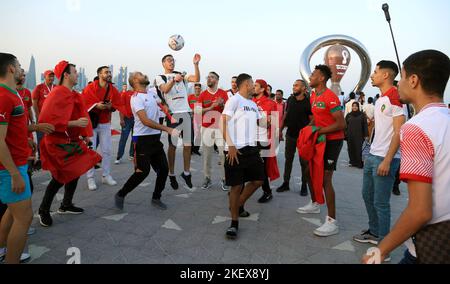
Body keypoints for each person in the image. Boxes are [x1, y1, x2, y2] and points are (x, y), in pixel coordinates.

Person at [363, 50, 450, 265]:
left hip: (430, 244)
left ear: (413, 80)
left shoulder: (416, 128)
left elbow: (420, 211)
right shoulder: (445, 118)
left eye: (401, 77)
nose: (398, 83)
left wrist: (380, 251)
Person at [37, 60, 102, 227]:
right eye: (74, 72)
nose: (77, 74)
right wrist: (74, 124)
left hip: (71, 141)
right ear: (66, 75)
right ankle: (43, 210)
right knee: (59, 177)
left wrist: (85, 134)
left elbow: (80, 116)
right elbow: (47, 122)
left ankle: (66, 204)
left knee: (76, 170)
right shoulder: (57, 93)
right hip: (57, 142)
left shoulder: (73, 94)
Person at [354, 61, 406, 250]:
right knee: (367, 195)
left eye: (375, 72)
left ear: (386, 75)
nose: (372, 75)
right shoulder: (381, 98)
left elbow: (399, 132)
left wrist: (388, 159)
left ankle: (384, 245)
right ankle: (374, 231)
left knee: (381, 202)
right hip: (373, 155)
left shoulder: (395, 96)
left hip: (386, 158)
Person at [115, 72, 179, 211]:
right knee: (142, 172)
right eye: (140, 75)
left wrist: (164, 108)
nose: (145, 74)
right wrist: (166, 129)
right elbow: (145, 121)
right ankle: (121, 194)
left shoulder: (150, 92)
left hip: (155, 139)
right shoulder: (136, 98)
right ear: (135, 81)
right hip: (142, 140)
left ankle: (156, 197)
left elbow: (160, 103)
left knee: (163, 170)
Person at [0, 53, 35, 263]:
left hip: (17, 162)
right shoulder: (4, 96)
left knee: (13, 213)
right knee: (25, 218)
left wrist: (26, 138)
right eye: (19, 66)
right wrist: (14, 174)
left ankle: (3, 250)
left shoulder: (12, 94)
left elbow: (12, 129)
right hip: (9, 168)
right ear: (11, 69)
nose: (22, 69)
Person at [221, 73, 265, 239]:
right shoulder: (234, 100)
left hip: (252, 149)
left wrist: (268, 120)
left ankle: (238, 204)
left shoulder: (253, 104)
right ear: (246, 84)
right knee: (236, 186)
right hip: (235, 150)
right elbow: (222, 122)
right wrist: (230, 145)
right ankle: (234, 222)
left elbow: (260, 122)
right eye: (252, 83)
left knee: (258, 180)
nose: (254, 86)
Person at [308, 65, 346, 237]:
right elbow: (316, 119)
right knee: (311, 172)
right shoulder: (314, 95)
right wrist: (307, 131)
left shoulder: (331, 97)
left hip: (333, 141)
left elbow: (341, 124)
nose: (310, 76)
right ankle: (315, 203)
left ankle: (332, 221)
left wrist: (318, 131)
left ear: (322, 78)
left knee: (325, 179)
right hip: (320, 139)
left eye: (313, 74)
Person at [155, 54, 201, 190]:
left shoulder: (180, 75)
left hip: (186, 112)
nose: (171, 62)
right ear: (163, 63)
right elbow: (164, 89)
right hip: (173, 115)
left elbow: (196, 79)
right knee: (173, 146)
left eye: (173, 60)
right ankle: (171, 173)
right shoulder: (160, 77)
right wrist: (174, 80)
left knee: (188, 145)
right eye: (169, 60)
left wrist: (196, 65)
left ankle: (186, 173)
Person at [82, 66, 122, 191]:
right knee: (91, 150)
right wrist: (96, 105)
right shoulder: (90, 87)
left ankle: (106, 175)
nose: (109, 74)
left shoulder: (112, 89)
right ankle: (90, 178)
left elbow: (117, 104)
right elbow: (84, 102)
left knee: (107, 150)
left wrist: (110, 106)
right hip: (92, 123)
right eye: (106, 72)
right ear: (99, 74)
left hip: (105, 122)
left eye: (110, 72)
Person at [277, 80, 313, 198]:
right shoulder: (290, 100)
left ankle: (304, 185)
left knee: (304, 162)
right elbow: (286, 115)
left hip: (303, 137)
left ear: (303, 88)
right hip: (290, 135)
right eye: (293, 85)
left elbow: (312, 119)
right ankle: (286, 183)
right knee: (288, 159)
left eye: (296, 85)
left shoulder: (308, 102)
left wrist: (307, 131)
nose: (294, 87)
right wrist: (281, 130)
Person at [198, 72, 229, 191]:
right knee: (207, 155)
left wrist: (222, 105)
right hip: (206, 128)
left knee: (223, 155)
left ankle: (225, 179)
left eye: (211, 77)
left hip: (220, 127)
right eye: (208, 77)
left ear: (217, 80)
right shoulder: (202, 94)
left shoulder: (223, 93)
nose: (209, 79)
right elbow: (196, 111)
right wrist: (210, 107)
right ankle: (207, 178)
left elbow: (228, 110)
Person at [253, 79, 278, 203]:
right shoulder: (250, 101)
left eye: (256, 85)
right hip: (249, 140)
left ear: (262, 89)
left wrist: (256, 120)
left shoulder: (270, 103)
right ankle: (239, 189)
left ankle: (267, 192)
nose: (253, 87)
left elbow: (273, 122)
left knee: (262, 169)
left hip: (263, 141)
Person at [31, 70, 55, 160]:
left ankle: (51, 156)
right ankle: (42, 158)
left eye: (53, 76)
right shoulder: (39, 88)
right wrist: (38, 116)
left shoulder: (56, 87)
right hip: (42, 118)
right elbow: (34, 103)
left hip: (53, 119)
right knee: (41, 138)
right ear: (44, 77)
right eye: (49, 76)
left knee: (53, 138)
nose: (51, 78)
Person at [115, 84, 135, 164]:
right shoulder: (125, 94)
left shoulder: (139, 94)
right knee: (124, 138)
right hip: (127, 119)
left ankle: (132, 154)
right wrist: (121, 119)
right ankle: (119, 157)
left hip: (137, 119)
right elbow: (121, 107)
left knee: (135, 139)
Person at [345, 102, 368, 168]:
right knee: (351, 148)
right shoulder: (348, 115)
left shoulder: (362, 115)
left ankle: (359, 163)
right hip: (350, 135)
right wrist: (345, 134)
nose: (354, 107)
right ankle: (352, 162)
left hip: (359, 135)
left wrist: (366, 135)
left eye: (356, 106)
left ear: (358, 107)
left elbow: (365, 125)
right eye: (353, 106)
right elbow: (345, 125)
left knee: (358, 149)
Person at [188, 83, 202, 156]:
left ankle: (196, 149)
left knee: (198, 134)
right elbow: (186, 106)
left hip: (199, 118)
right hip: (191, 117)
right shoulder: (190, 97)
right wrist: (191, 111)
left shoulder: (202, 97)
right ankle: (190, 149)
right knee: (191, 134)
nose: (197, 90)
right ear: (194, 89)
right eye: (196, 88)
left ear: (200, 89)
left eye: (198, 88)